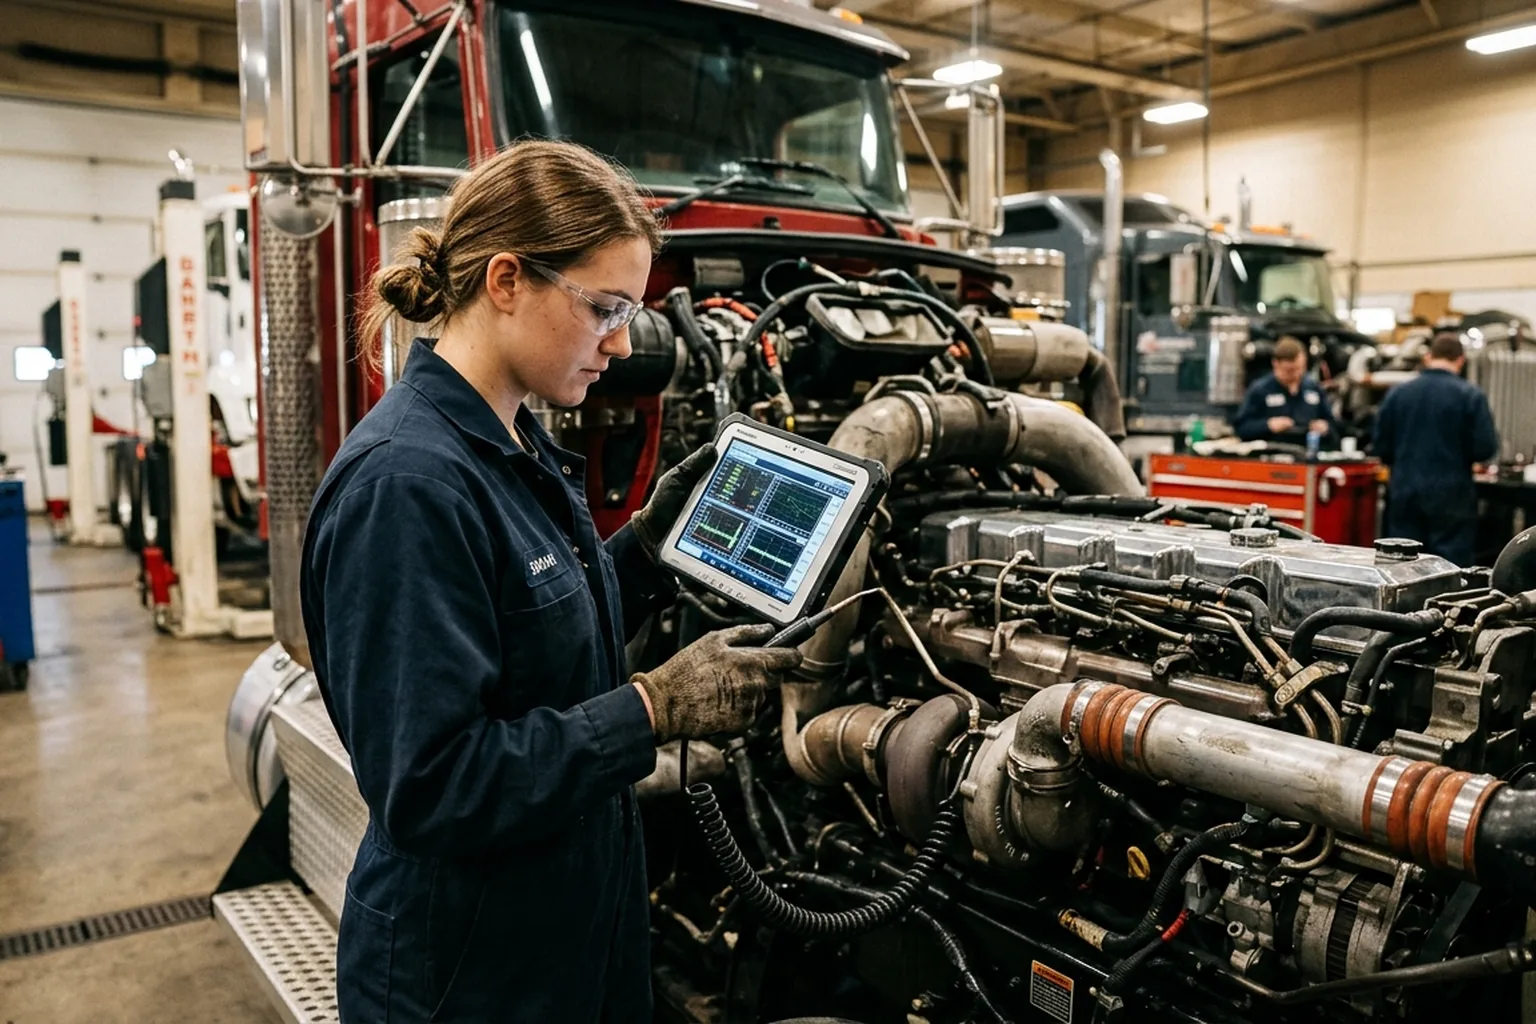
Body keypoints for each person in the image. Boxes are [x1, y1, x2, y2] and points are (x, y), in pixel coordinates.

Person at [299, 140, 803, 1022]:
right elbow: (434, 786)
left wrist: (646, 545)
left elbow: (529, 629)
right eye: (605, 308)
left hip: (563, 943)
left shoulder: (512, 439)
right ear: (505, 280)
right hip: (467, 978)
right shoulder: (406, 485)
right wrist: (653, 708)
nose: (619, 345)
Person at [1373, 331, 1499, 565]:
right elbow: (1485, 448)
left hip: (1404, 491)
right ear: (1461, 360)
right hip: (1451, 495)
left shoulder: (1398, 393)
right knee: (1448, 568)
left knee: (1401, 564)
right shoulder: (1470, 396)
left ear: (1429, 357)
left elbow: (1380, 446)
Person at [1231, 336, 1337, 443]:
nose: (1296, 374)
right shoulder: (1260, 390)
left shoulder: (1314, 389)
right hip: (1272, 451)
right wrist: (1268, 425)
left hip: (1307, 449)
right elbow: (1241, 428)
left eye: (1299, 369)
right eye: (1289, 371)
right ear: (1276, 364)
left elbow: (1335, 425)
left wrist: (1325, 427)